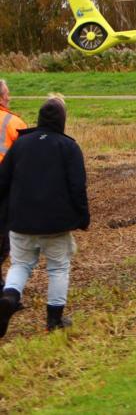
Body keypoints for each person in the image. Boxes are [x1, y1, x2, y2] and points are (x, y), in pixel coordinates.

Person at [0, 96, 89, 336]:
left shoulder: (20, 144)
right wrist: (83, 217)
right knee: (58, 268)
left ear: (39, 119)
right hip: (56, 224)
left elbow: (2, 181)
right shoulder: (69, 147)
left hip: (20, 221)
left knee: (20, 265)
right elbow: (77, 187)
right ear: (62, 120)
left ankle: (9, 298)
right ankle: (54, 321)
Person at [0, 79, 28, 267]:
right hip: (5, 184)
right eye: (6, 94)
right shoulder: (14, 122)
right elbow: (29, 155)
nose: (9, 98)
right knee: (4, 236)